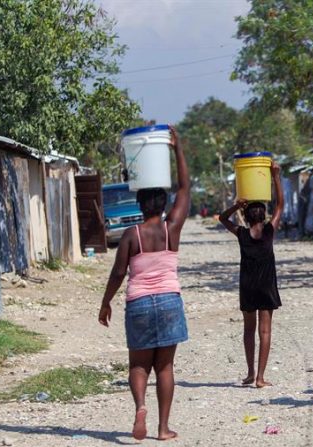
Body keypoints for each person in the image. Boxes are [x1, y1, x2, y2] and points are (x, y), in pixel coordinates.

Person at [97, 127, 190, 441]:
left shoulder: (130, 235)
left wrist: (106, 301)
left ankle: (140, 407)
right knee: (164, 367)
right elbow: (186, 187)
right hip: (168, 301)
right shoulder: (171, 229)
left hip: (138, 303)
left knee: (138, 365)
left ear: (139, 205)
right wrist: (177, 149)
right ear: (163, 205)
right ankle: (163, 429)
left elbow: (118, 272)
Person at [218, 161, 284, 388]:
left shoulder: (241, 233)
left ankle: (249, 372)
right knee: (265, 331)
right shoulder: (269, 231)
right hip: (266, 286)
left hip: (248, 286)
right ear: (264, 217)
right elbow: (281, 205)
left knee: (248, 330)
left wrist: (236, 206)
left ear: (246, 217)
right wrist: (276, 176)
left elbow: (222, 219)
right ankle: (260, 378)